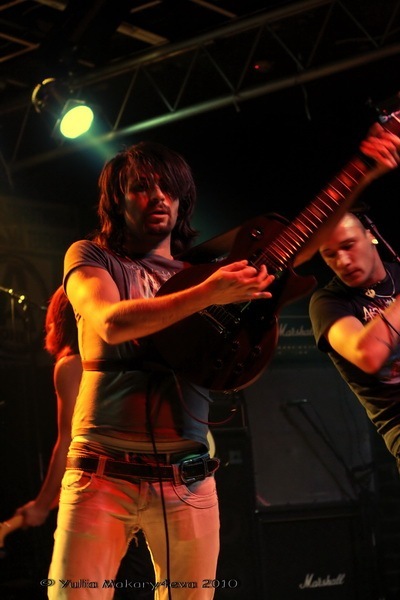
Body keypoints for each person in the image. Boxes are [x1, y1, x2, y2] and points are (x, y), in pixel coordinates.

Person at [47, 130, 398, 600]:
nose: (159, 197)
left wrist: (364, 173)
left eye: (169, 188)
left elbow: (302, 242)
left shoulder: (199, 268)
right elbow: (110, 323)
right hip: (102, 472)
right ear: (117, 200)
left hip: (187, 477)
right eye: (142, 187)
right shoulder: (93, 256)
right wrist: (210, 292)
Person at [16, 285, 155, 599]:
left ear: (59, 321)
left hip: (109, 498)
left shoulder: (71, 366)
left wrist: (41, 506)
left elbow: (68, 443)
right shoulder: (132, 356)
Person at [309, 209, 400, 470]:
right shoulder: (328, 303)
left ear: (371, 236)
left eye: (349, 246)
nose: (344, 261)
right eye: (330, 254)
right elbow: (367, 355)